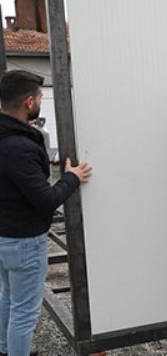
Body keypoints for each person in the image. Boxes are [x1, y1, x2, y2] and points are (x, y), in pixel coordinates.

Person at [0, 70, 92, 356]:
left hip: (4, 236)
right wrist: (72, 178)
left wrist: (38, 165)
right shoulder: (19, 146)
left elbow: (15, 176)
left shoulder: (8, 136)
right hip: (24, 242)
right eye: (40, 97)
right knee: (25, 314)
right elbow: (45, 200)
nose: (41, 101)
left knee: (8, 299)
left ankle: (4, 349)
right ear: (29, 103)